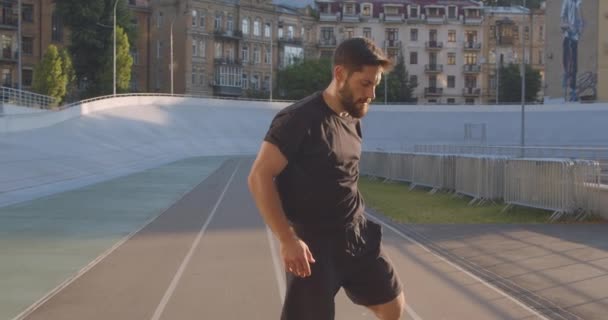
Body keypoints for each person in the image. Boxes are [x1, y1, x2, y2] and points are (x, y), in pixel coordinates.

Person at [248, 37, 405, 320]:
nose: (371, 94)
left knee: (392, 305)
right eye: (365, 84)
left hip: (356, 235)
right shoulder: (298, 119)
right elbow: (259, 176)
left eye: (376, 85)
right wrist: (287, 238)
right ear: (340, 74)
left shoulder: (353, 117)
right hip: (315, 246)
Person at [561, 0, 583, 102]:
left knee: (574, 64)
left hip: (575, 37)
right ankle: (566, 76)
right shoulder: (566, 2)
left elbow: (581, 19)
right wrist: (566, 27)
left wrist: (579, 29)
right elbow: (563, 17)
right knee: (567, 59)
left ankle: (573, 90)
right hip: (568, 35)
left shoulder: (579, 3)